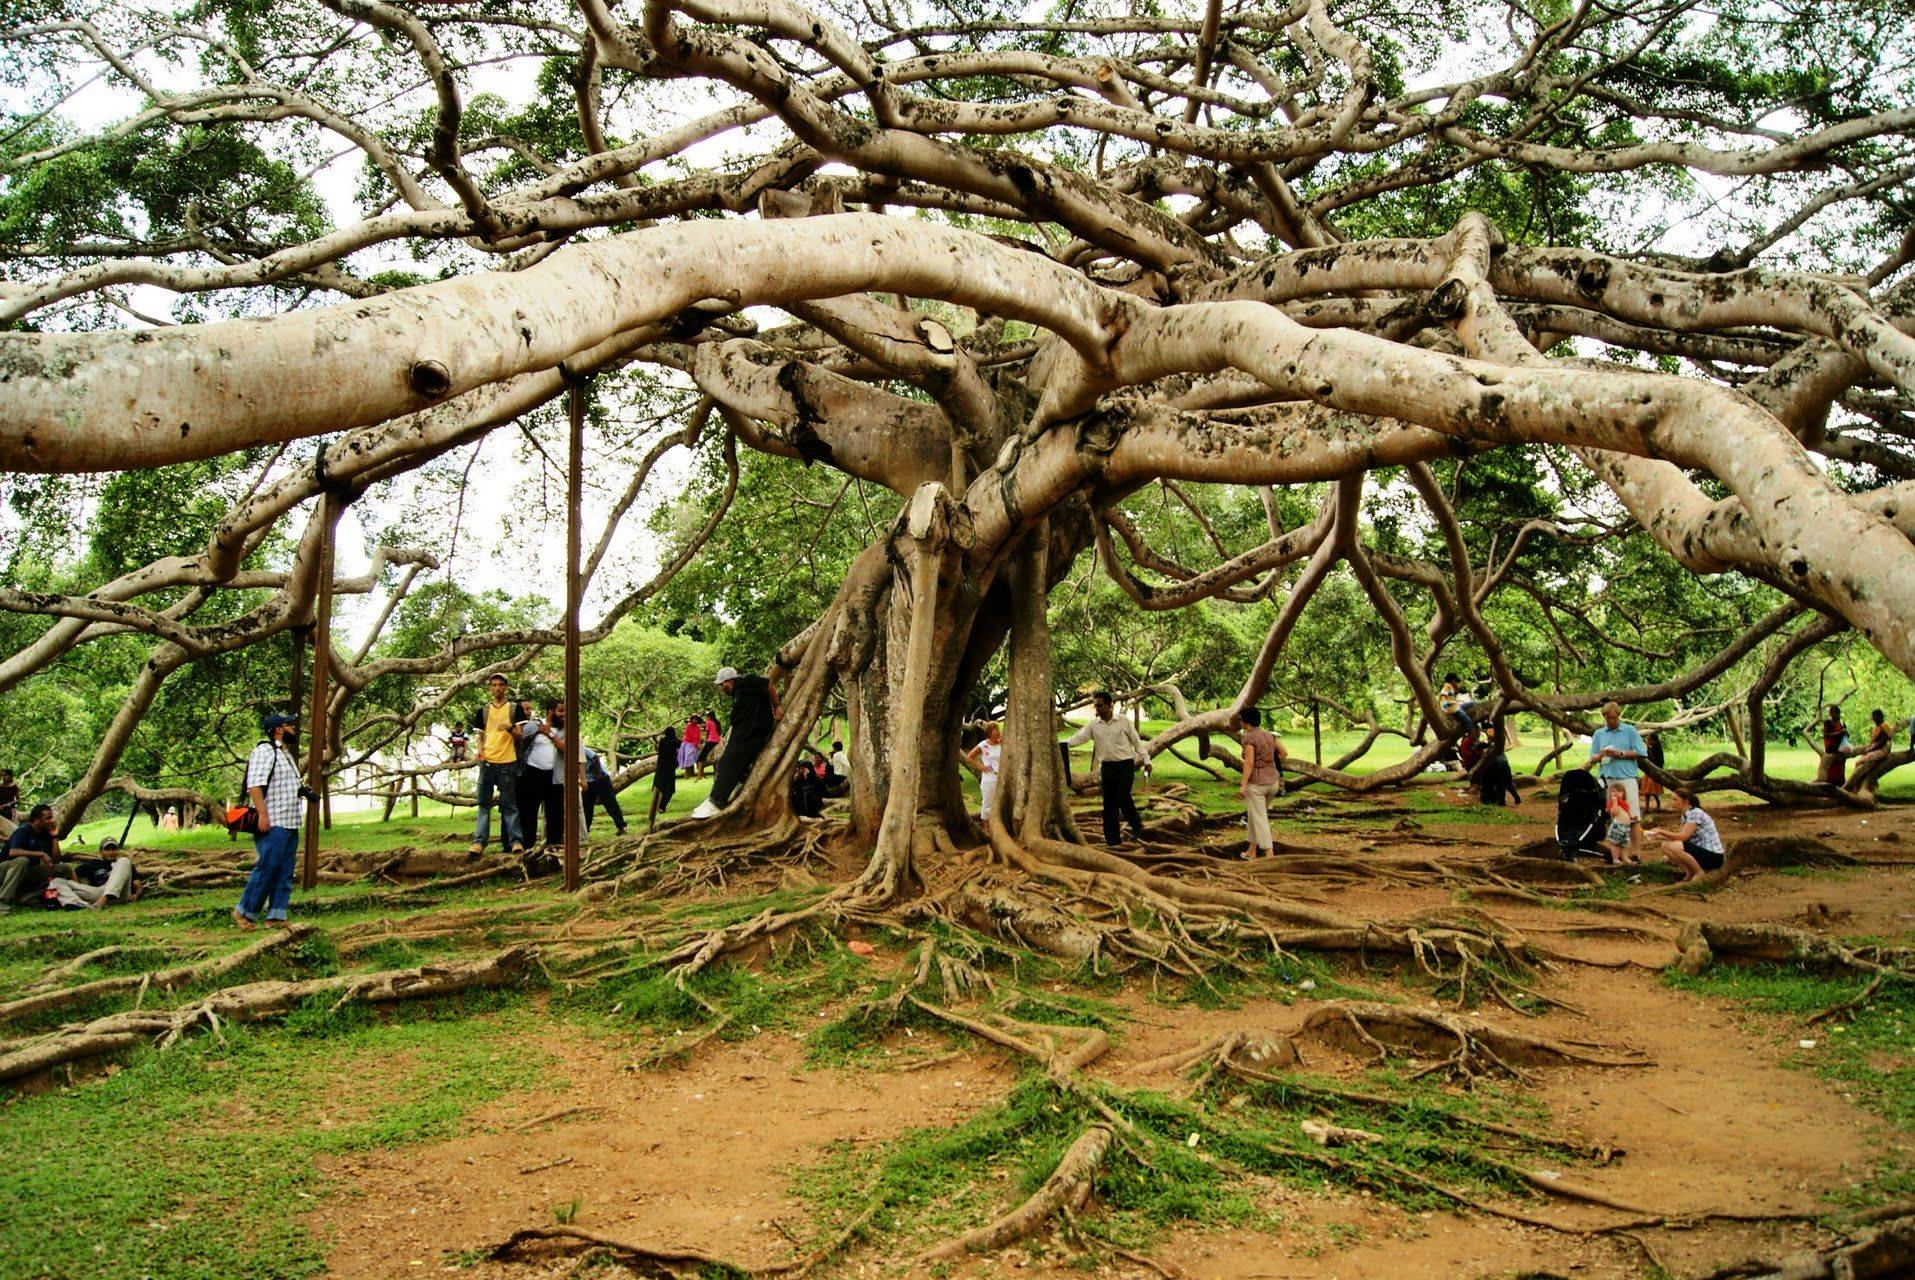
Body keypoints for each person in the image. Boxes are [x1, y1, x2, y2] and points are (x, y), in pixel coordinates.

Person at [233, 713, 311, 930]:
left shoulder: (285, 754)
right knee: (267, 867)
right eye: (289, 725)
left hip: (289, 821)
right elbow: (255, 785)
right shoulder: (265, 751)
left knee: (284, 870)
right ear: (278, 729)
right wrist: (262, 815)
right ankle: (244, 912)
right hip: (273, 821)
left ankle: (276, 915)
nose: (294, 729)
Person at [691, 667, 781, 817]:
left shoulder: (746, 680)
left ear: (730, 681)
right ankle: (725, 796)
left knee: (728, 761)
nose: (721, 688)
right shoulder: (737, 692)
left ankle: (716, 801)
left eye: (722, 684)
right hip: (744, 733)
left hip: (753, 732)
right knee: (729, 763)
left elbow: (769, 684)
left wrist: (777, 706)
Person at [1067, 692, 1149, 846]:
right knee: (1109, 804)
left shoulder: (1123, 721)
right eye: (1095, 705)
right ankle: (1112, 840)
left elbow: (1136, 742)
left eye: (1099, 705)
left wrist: (1146, 760)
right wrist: (1064, 744)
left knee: (1123, 798)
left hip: (1125, 766)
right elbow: (1079, 737)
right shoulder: (1094, 725)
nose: (1096, 708)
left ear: (1110, 704)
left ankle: (1138, 827)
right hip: (1107, 768)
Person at [467, 674, 529, 855]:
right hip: (487, 763)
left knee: (509, 805)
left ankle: (516, 842)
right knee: (483, 804)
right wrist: (479, 751)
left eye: (501, 685)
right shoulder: (484, 711)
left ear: (506, 688)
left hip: (508, 762)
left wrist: (509, 728)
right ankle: (478, 843)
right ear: (490, 688)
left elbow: (521, 736)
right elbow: (479, 737)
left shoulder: (514, 709)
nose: (497, 688)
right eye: (494, 685)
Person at [1586, 702, 1646, 864]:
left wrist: (1620, 753)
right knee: (1614, 816)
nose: (1612, 721)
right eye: (1608, 718)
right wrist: (1600, 755)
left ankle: (1636, 852)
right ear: (1604, 717)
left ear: (1618, 716)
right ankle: (1616, 853)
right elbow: (1592, 756)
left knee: (1632, 816)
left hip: (1627, 777)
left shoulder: (1630, 731)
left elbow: (1641, 752)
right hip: (1608, 779)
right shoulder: (1599, 734)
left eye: (1614, 718)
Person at [1235, 707, 1286, 860]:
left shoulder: (1249, 738)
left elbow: (1249, 762)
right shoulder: (1269, 735)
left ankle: (1269, 854)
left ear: (1246, 721)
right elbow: (1284, 753)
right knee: (1254, 816)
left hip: (1257, 785)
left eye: (1240, 718)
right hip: (1272, 783)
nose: (1239, 721)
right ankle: (1251, 850)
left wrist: (1243, 785)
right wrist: (1268, 762)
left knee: (1259, 818)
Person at [1645, 786, 1725, 882]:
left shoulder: (1695, 813)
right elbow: (1679, 837)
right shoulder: (1685, 815)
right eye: (1672, 799)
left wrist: (1661, 831)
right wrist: (1658, 835)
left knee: (1674, 847)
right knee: (1665, 845)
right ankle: (1689, 872)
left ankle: (1699, 873)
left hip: (1713, 857)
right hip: (1702, 852)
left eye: (1675, 800)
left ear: (1686, 801)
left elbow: (1683, 837)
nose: (1672, 803)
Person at [2, 803, 71, 912]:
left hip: (26, 872)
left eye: (52, 817)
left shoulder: (46, 834)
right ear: (36, 820)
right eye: (48, 818)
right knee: (22, 860)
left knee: (64, 869)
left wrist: (54, 837)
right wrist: (40, 854)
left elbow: (56, 860)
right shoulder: (24, 830)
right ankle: (2, 902)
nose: (52, 821)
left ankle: (26, 897)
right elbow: (13, 852)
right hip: (6, 871)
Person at [517, 700, 566, 852]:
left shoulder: (565, 730)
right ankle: (527, 847)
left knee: (555, 813)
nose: (563, 715)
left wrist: (549, 733)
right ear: (550, 712)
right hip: (531, 774)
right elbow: (519, 739)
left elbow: (565, 748)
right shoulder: (534, 725)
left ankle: (554, 847)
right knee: (528, 813)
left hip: (554, 776)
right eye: (560, 711)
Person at [580, 744, 627, 837]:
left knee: (610, 803)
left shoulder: (582, 749)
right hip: (588, 782)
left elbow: (596, 757)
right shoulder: (569, 753)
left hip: (601, 779)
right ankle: (585, 831)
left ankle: (622, 826)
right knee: (586, 807)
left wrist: (598, 773)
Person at [964, 722, 1003, 828]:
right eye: (996, 730)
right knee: (987, 803)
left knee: (1000, 803)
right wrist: (981, 766)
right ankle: (985, 827)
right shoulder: (983, 745)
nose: (998, 732)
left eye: (998, 729)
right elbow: (969, 757)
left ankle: (997, 825)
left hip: (1001, 778)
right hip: (989, 779)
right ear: (989, 732)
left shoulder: (1001, 744)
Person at [1476, 721, 1522, 807]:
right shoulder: (1497, 740)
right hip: (1504, 762)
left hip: (1497, 763)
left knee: (1500, 783)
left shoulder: (1492, 740)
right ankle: (1514, 796)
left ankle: (1502, 801)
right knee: (1508, 782)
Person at [1599, 781, 1638, 866]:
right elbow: (1614, 813)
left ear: (1623, 793)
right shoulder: (1612, 803)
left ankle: (1625, 859)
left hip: (1625, 827)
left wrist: (1631, 816)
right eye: (1613, 791)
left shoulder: (1624, 803)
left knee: (1624, 844)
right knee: (1615, 844)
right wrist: (1615, 802)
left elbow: (1627, 812)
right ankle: (1615, 859)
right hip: (1618, 827)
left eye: (1618, 791)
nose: (1615, 793)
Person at [649, 725, 679, 827]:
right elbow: (683, 746)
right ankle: (662, 806)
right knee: (669, 788)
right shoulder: (676, 741)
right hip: (670, 768)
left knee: (659, 787)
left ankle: (657, 806)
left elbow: (660, 754)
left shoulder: (662, 741)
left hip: (661, 766)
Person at [1820, 705, 1849, 786]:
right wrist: (1839, 733)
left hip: (1840, 751)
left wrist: (1845, 732)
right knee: (1831, 773)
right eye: (1834, 713)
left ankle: (1841, 786)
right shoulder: (1828, 723)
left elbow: (1846, 735)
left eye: (1837, 713)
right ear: (1830, 714)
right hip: (1831, 750)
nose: (1836, 715)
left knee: (1840, 772)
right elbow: (1826, 735)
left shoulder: (1841, 723)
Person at [1640, 731, 1666, 811]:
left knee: (1652, 790)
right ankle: (1647, 807)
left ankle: (1658, 804)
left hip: (1654, 772)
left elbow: (1652, 759)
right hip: (1649, 772)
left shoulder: (1656, 748)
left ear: (1653, 740)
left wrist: (1647, 748)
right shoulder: (1652, 748)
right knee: (1647, 791)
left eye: (1648, 739)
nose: (1647, 741)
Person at [700, 711, 723, 776]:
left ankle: (700, 773)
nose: (706, 717)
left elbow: (708, 733)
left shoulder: (708, 722)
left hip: (711, 741)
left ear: (710, 716)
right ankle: (714, 772)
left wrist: (706, 741)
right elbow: (719, 733)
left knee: (702, 756)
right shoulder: (717, 722)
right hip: (718, 741)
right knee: (714, 756)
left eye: (707, 716)